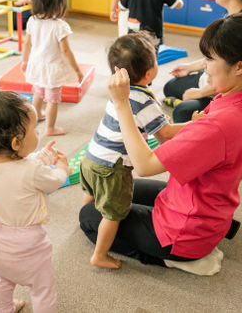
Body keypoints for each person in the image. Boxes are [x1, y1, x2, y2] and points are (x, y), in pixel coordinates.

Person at [80, 14, 242, 276]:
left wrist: (121, 105)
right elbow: (193, 134)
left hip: (185, 232)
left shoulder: (221, 124)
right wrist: (191, 126)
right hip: (201, 203)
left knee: (88, 217)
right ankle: (203, 234)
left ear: (240, 67)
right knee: (116, 192)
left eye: (210, 59)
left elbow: (143, 165)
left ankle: (177, 258)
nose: (205, 67)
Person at [80, 32, 186, 269]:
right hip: (114, 168)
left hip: (91, 157)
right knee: (114, 213)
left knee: (92, 194)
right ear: (149, 73)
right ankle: (99, 255)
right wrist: (195, 124)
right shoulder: (144, 99)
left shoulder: (119, 91)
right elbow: (166, 132)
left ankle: (85, 218)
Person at [0, 91, 70, 313]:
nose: (38, 132)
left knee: (3, 280)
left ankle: (3, 309)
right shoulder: (31, 170)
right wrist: (62, 167)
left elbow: (17, 168)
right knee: (43, 288)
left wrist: (40, 156)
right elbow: (53, 181)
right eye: (34, 129)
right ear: (16, 142)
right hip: (29, 245)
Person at [163, 0, 242, 123]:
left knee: (182, 111)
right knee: (170, 87)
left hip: (222, 87)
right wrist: (189, 67)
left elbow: (232, 73)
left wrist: (199, 93)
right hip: (210, 78)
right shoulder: (234, 18)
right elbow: (218, 56)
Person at [21, 0, 83, 136]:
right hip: (52, 70)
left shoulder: (32, 20)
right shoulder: (60, 26)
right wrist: (77, 70)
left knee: (38, 93)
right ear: (59, 3)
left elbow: (27, 43)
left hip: (37, 65)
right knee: (53, 100)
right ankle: (50, 128)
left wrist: (24, 61)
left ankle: (36, 119)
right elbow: (66, 51)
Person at [119, 0, 183, 54]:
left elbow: (121, 7)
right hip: (153, 33)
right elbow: (179, 4)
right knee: (152, 55)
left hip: (134, 33)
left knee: (135, 55)